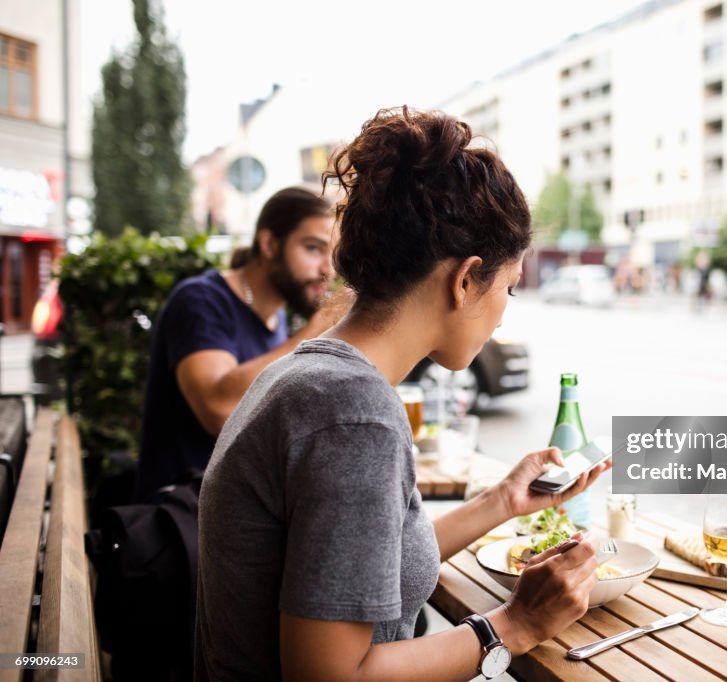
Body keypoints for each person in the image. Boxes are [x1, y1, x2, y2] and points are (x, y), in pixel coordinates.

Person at [195, 107, 611, 681]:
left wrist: (501, 502)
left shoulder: (309, 375)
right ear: (465, 280)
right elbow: (331, 677)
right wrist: (515, 625)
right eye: (508, 288)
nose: (502, 315)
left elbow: (360, 562)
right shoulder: (352, 413)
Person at [135, 187, 352, 501]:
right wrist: (315, 331)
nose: (326, 269)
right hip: (178, 518)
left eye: (331, 255)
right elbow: (218, 410)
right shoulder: (200, 300)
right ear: (268, 244)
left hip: (232, 508)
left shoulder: (274, 320)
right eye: (312, 248)